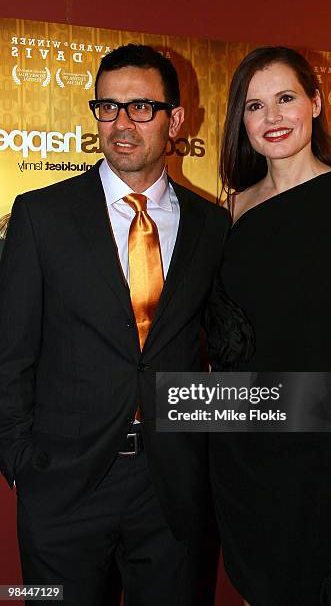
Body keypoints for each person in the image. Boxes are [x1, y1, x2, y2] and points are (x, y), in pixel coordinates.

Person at [0, 44, 230, 606]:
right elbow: (9, 354)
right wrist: (22, 466)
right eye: (107, 107)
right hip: (63, 488)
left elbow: (221, 345)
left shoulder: (211, 225)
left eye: (140, 108)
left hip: (171, 490)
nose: (121, 124)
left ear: (176, 119)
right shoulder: (40, 215)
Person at [209, 46, 331, 606]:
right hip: (240, 446)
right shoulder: (234, 208)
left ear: (315, 103)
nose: (272, 118)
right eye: (254, 106)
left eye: (286, 98)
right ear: (240, 122)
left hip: (319, 440)